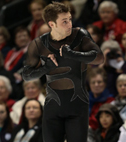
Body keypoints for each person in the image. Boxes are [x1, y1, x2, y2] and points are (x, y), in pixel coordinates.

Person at [22, 1, 104, 142]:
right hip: (53, 108)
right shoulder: (38, 44)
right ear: (51, 24)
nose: (70, 25)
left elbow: (99, 57)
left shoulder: (80, 35)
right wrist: (45, 68)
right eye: (64, 21)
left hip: (77, 107)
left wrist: (73, 54)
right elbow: (26, 76)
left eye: (70, 19)